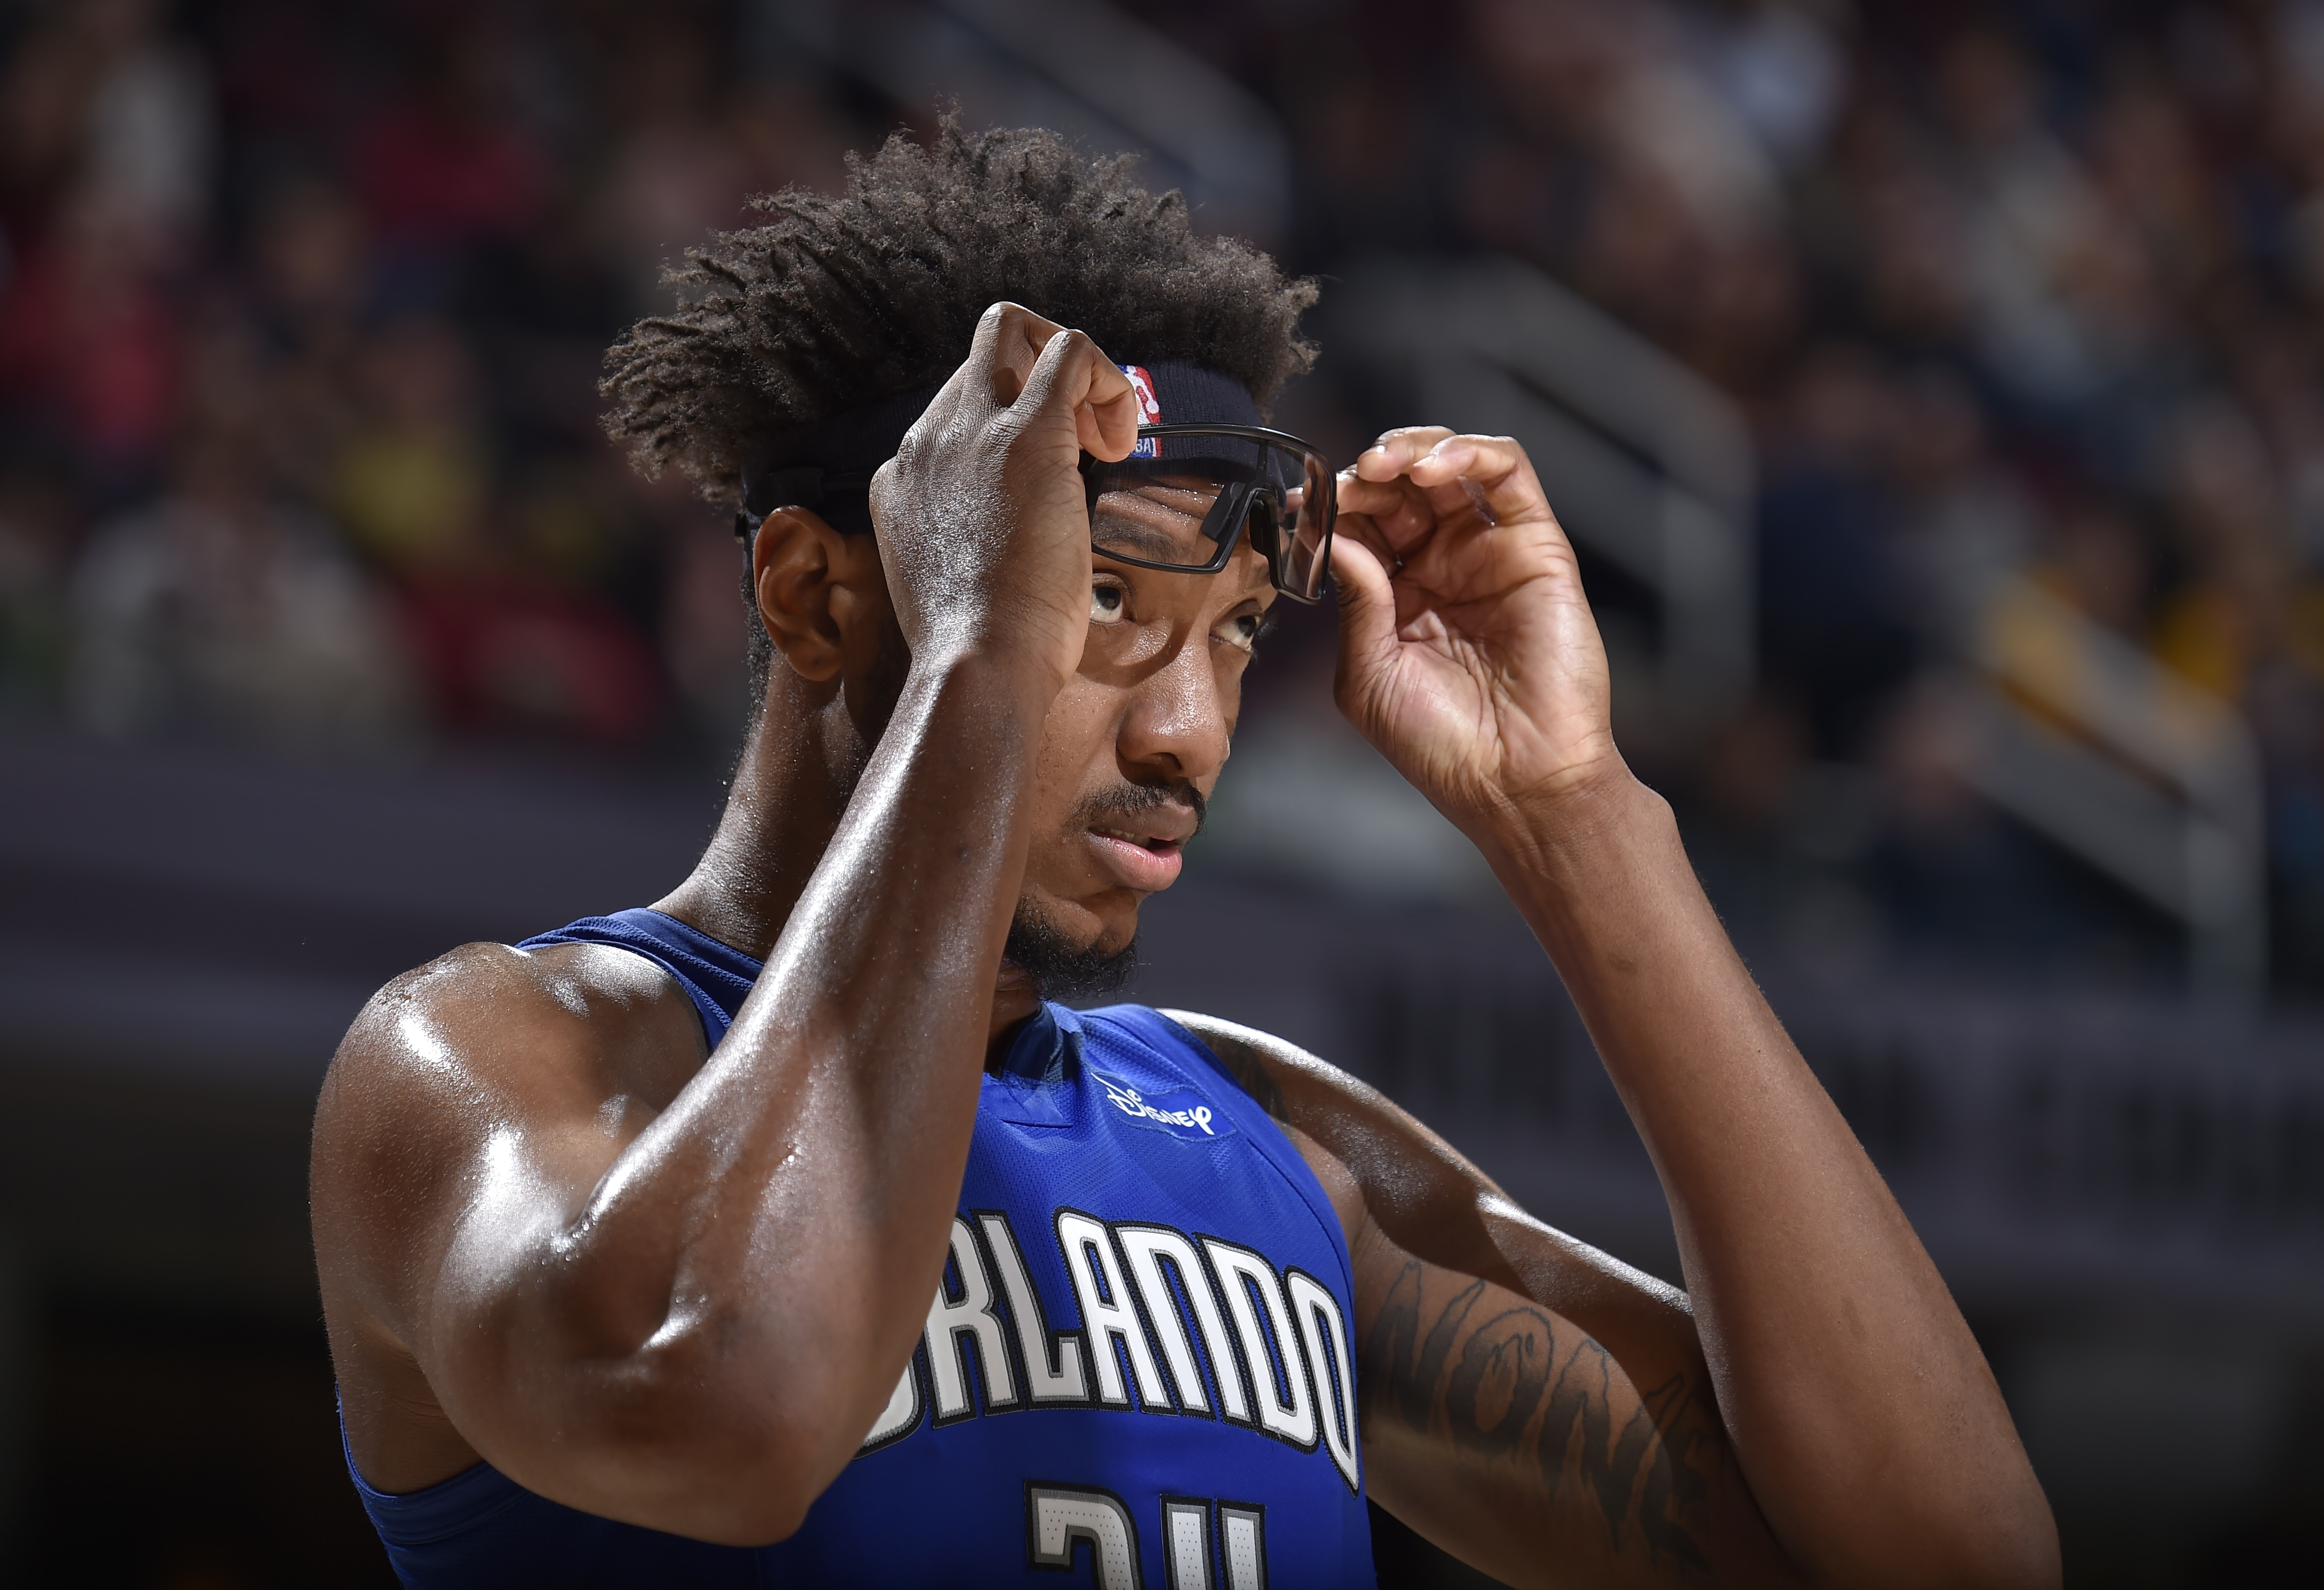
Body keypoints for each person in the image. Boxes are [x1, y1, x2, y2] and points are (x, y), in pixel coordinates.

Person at [311, 124, 2057, 1590]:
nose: (1188, 736)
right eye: (1106, 599)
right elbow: (729, 1413)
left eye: (1232, 636)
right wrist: (992, 659)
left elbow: (1941, 1557)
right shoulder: (493, 1059)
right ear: (816, 589)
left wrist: (1578, 819)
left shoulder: (1273, 1150)